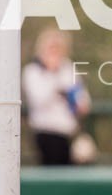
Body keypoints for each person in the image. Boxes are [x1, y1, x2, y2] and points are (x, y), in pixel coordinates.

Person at [21, 28, 91, 166]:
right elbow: (39, 100)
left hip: (69, 132)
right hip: (46, 132)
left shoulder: (68, 68)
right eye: (51, 48)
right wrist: (53, 75)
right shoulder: (33, 71)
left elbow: (82, 99)